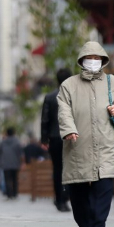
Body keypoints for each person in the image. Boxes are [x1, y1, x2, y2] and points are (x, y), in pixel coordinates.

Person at [57, 42, 114, 227]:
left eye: (98, 58)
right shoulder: (68, 85)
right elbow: (64, 110)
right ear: (82, 61)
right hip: (77, 142)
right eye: (90, 58)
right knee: (78, 186)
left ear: (103, 60)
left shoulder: (112, 82)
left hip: (106, 141)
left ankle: (99, 226)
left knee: (105, 184)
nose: (94, 61)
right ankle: (84, 225)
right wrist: (69, 130)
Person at [42, 68, 73, 212]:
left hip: (54, 138)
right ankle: (66, 198)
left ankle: (59, 200)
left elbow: (45, 120)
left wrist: (44, 139)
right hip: (71, 137)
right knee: (70, 169)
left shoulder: (49, 97)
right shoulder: (74, 96)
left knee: (57, 169)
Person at [0, 128, 23, 199]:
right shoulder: (17, 142)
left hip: (5, 163)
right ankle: (15, 193)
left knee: (7, 179)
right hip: (15, 163)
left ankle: (9, 194)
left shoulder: (3, 142)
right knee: (15, 179)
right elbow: (20, 153)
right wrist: (21, 162)